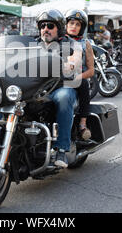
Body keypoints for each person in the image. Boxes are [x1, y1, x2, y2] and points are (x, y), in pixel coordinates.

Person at [36, 9, 80, 168]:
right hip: (34, 89)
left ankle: (61, 148)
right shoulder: (33, 44)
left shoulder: (69, 44)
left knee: (64, 97)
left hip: (58, 88)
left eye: (50, 25)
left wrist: (71, 64)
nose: (45, 29)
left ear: (59, 28)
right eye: (42, 26)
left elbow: (75, 58)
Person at [64, 9, 94, 141]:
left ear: (82, 27)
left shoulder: (85, 44)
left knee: (84, 84)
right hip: (55, 78)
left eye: (77, 24)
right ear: (65, 24)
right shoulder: (59, 40)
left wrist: (77, 77)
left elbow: (91, 70)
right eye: (71, 23)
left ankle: (83, 123)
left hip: (75, 79)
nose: (74, 27)